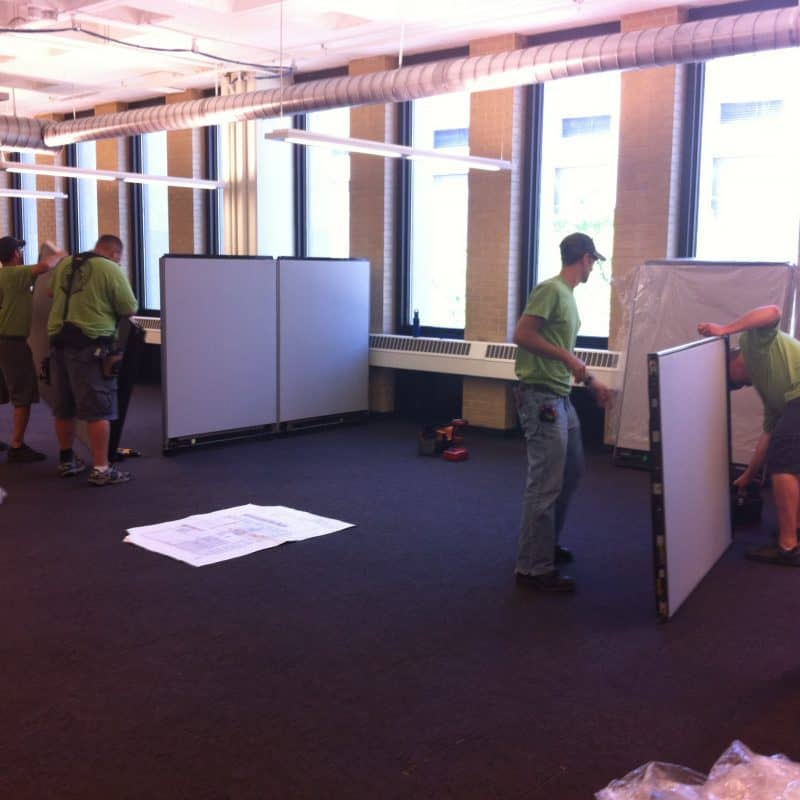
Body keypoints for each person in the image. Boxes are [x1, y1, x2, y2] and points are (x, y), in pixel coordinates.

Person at [512, 232, 612, 593]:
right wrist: (569, 358)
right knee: (545, 483)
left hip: (560, 396)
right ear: (585, 258)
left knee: (571, 472)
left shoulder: (566, 297)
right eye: (592, 261)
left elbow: (558, 350)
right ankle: (533, 569)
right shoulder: (552, 289)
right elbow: (522, 334)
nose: (592, 268)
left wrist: (591, 380)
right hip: (541, 399)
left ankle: (544, 545)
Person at [698, 305, 800, 566]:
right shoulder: (770, 392)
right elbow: (767, 436)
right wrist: (747, 476)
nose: (741, 385)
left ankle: (789, 547)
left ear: (732, 361)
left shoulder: (751, 342)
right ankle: (795, 530)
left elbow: (773, 312)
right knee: (788, 460)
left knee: (783, 465)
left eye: (735, 382)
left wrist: (725, 330)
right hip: (793, 401)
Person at [47, 234, 138, 486]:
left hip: (58, 343)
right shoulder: (109, 268)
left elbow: (49, 293)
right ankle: (101, 468)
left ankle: (67, 460)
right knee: (99, 408)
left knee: (64, 407)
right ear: (114, 254)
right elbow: (129, 308)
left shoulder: (66, 264)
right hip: (90, 346)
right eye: (119, 258)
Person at [0, 236, 64, 463]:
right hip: (11, 344)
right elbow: (46, 266)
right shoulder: (14, 274)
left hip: (2, 342)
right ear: (16, 253)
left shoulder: (3, 277)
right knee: (22, 396)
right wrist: (61, 254)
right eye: (19, 249)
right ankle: (17, 446)